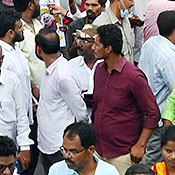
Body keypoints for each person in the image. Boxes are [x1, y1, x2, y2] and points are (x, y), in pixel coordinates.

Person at [92, 24, 160, 174]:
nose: (93, 48)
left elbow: (153, 113)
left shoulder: (134, 77)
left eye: (97, 44)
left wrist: (141, 145)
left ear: (108, 49)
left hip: (124, 155)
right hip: (99, 152)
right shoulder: (98, 70)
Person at [35, 28, 88, 169]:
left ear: (38, 49)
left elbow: (81, 112)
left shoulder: (63, 76)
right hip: (47, 144)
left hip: (59, 147)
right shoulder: (52, 69)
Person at [47, 122, 120, 175]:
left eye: (74, 152)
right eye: (64, 150)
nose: (67, 156)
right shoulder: (56, 170)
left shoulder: (109, 172)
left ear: (91, 150)